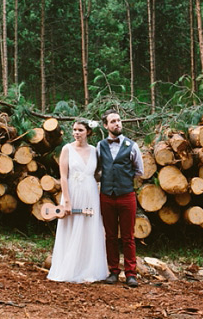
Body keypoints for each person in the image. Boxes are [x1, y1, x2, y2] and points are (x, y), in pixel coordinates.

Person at [47, 120, 108, 283]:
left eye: (80, 130)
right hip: (73, 192)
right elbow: (63, 177)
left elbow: (97, 174)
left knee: (89, 229)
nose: (76, 133)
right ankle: (68, 268)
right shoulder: (67, 149)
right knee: (71, 228)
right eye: (74, 130)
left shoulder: (95, 151)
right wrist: (66, 200)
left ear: (88, 132)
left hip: (90, 193)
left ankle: (87, 269)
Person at [97, 109, 144, 287]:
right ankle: (113, 271)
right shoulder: (100, 146)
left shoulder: (132, 146)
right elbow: (98, 170)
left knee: (128, 237)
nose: (117, 124)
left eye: (118, 120)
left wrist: (123, 179)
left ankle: (131, 273)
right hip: (107, 196)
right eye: (113, 121)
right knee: (109, 236)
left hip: (126, 196)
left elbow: (140, 171)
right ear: (106, 125)